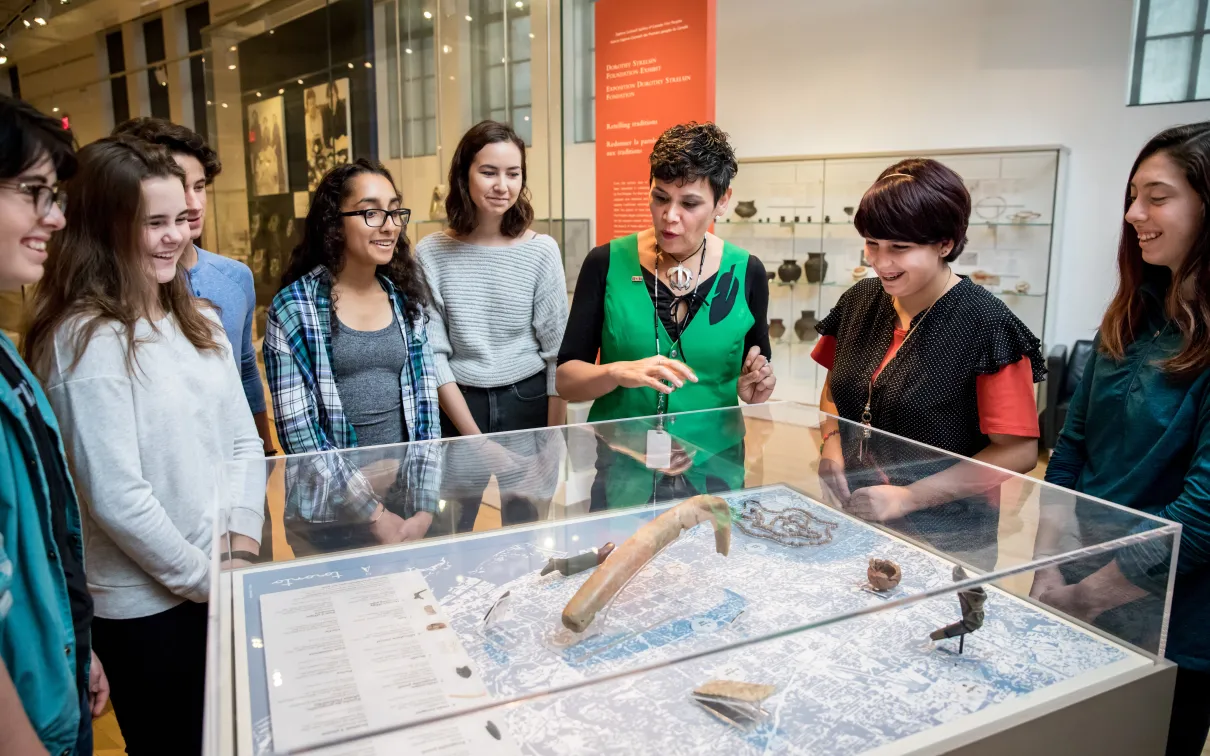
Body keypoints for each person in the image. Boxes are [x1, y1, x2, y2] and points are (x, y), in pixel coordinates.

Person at [23, 136, 266, 756]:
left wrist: (240, 549)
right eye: (152, 223)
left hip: (222, 576)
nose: (175, 237)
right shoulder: (85, 339)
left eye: (181, 220)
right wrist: (211, 580)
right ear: (106, 227)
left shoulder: (199, 317)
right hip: (146, 613)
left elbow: (243, 442)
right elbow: (116, 497)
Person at [1033, 122, 1210, 756]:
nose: (1134, 213)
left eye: (1157, 196)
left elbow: (1203, 513)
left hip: (1173, 614)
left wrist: (1088, 595)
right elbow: (1071, 446)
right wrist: (1047, 561)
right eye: (1133, 195)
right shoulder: (1135, 310)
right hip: (1081, 582)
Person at [813, 158, 1045, 567]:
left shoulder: (987, 324)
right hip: (858, 515)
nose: (881, 263)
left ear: (945, 243)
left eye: (900, 248)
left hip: (947, 536)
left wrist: (909, 497)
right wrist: (832, 447)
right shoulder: (859, 301)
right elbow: (836, 391)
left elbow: (1019, 451)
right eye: (872, 244)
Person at [556, 122, 775, 510]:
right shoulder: (605, 263)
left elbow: (754, 376)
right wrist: (614, 372)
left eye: (690, 204)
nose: (670, 216)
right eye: (660, 198)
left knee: (712, 564)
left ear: (722, 201)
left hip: (715, 468)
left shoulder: (747, 272)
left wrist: (753, 387)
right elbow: (567, 380)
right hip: (622, 466)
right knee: (621, 562)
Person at [0, 95, 107, 756]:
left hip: (52, 694)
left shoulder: (7, 354)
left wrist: (76, 647)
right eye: (34, 192)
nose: (55, 217)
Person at [264, 158, 441, 554]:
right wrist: (372, 514)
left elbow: (427, 413)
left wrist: (425, 507)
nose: (390, 224)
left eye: (395, 210)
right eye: (372, 212)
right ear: (334, 223)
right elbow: (300, 435)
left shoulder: (405, 299)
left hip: (403, 506)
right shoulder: (294, 307)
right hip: (328, 517)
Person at [417, 120, 568, 531]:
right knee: (450, 532)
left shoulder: (541, 251)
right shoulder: (430, 252)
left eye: (513, 173)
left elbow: (559, 356)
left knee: (527, 531)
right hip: (460, 404)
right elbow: (433, 355)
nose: (503, 185)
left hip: (529, 400)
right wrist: (477, 441)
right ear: (464, 175)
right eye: (489, 172)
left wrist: (553, 441)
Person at [111, 118, 274, 455]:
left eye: (199, 187)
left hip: (239, 462)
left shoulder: (235, 277)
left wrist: (266, 456)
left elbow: (245, 373)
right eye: (180, 187)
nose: (194, 204)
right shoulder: (119, 291)